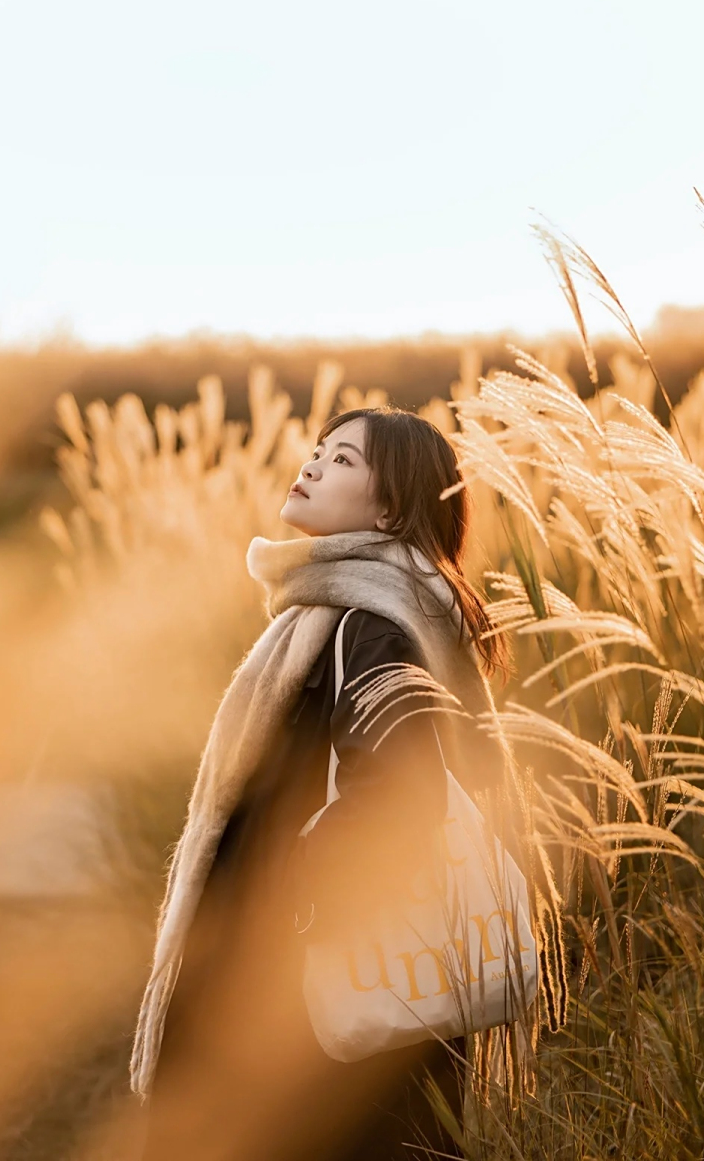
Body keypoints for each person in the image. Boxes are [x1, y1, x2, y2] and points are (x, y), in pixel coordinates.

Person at [128, 406, 513, 1161]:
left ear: (391, 508)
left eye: (342, 461)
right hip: (334, 962)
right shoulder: (359, 607)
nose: (311, 465)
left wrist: (288, 904)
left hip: (313, 967)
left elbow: (405, 793)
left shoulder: (377, 622)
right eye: (317, 450)